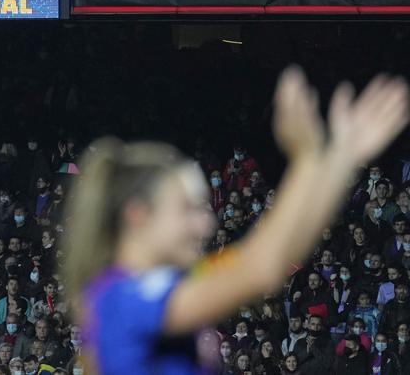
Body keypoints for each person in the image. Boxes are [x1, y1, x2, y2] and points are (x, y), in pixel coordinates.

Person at [67, 67, 408, 374]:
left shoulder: (167, 283)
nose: (205, 225)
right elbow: (261, 266)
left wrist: (337, 160)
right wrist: (314, 159)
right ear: (137, 215)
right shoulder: (122, 299)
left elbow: (277, 255)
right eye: (185, 209)